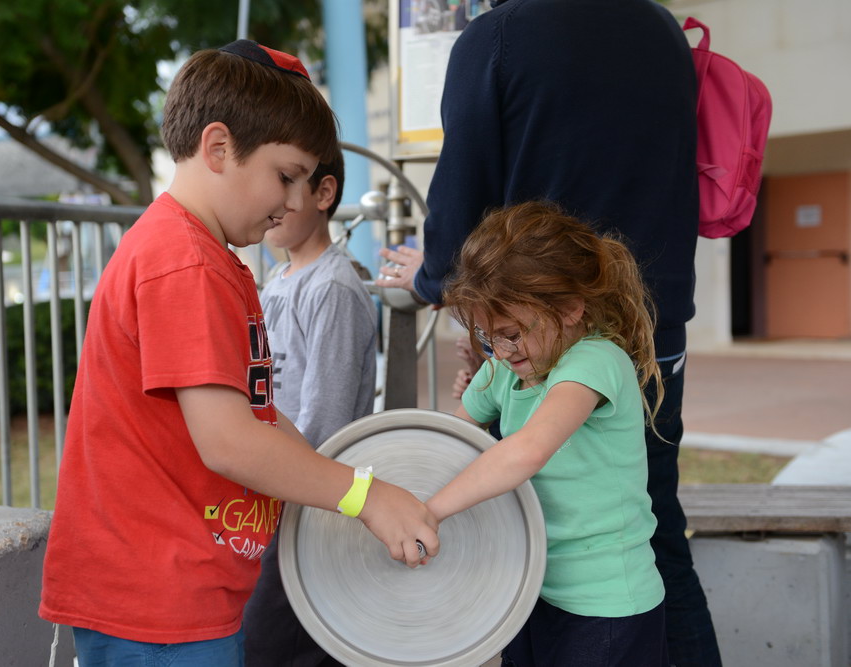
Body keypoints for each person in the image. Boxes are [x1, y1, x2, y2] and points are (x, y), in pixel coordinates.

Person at [38, 40, 439, 667]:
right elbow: (229, 440)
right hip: (158, 608)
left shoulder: (207, 258)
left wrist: (350, 491)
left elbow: (258, 413)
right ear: (219, 147)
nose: (293, 203)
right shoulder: (184, 262)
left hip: (184, 593)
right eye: (285, 176)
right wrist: (364, 496)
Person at [378, 1, 721, 664]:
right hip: (651, 323)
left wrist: (435, 281)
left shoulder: (499, 37)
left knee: (532, 522)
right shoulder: (659, 27)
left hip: (541, 310)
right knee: (653, 532)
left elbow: (456, 208)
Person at [428, 200, 669, 665]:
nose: (501, 351)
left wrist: (430, 510)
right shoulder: (505, 368)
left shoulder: (594, 362)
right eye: (488, 338)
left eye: (512, 333)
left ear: (570, 308)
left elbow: (527, 451)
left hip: (606, 608)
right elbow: (449, 440)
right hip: (531, 590)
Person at [243, 153, 377, 666]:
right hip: (269, 491)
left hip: (303, 501)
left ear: (323, 193)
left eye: (286, 183)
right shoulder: (279, 279)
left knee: (278, 644)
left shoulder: (333, 289)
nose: (272, 201)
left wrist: (281, 476)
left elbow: (326, 419)